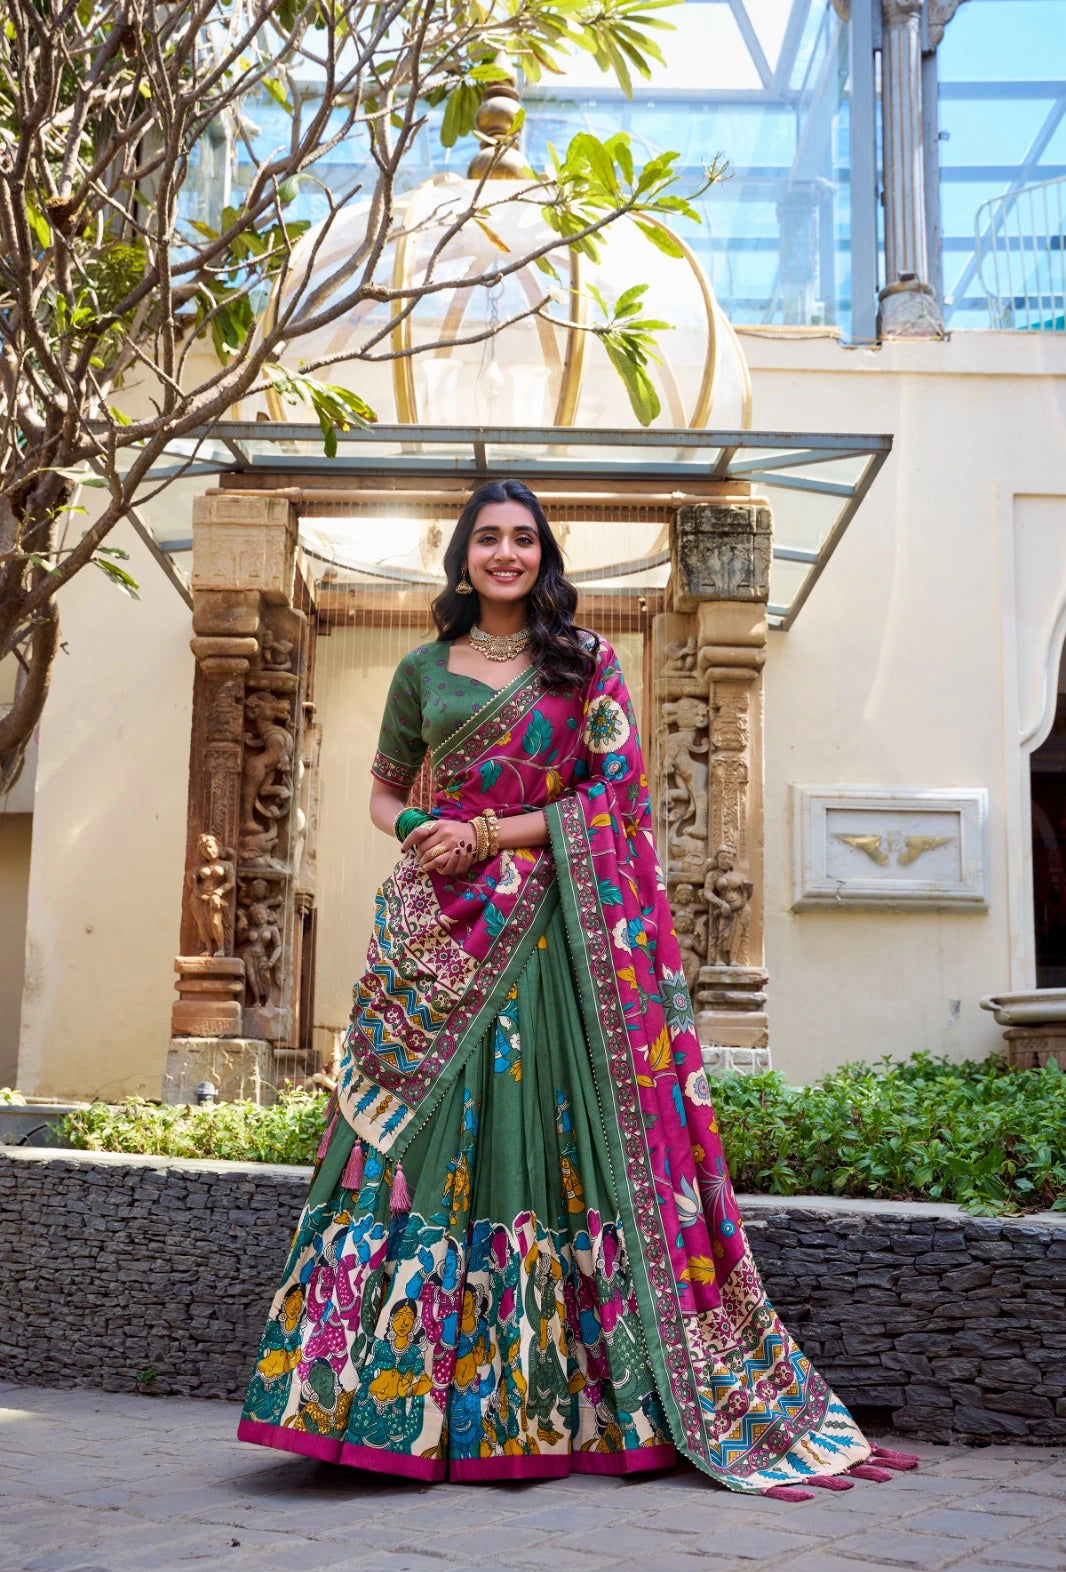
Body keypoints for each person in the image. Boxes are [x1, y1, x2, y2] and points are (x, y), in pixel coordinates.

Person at [237, 480, 916, 1497]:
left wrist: (493, 833)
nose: (504, 554)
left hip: (550, 936)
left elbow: (616, 794)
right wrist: (415, 829)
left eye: (522, 539)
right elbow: (385, 787)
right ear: (462, 555)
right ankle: (366, 1399)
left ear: (543, 557)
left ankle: (555, 1406)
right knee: (405, 1140)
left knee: (541, 1139)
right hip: (435, 928)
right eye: (487, 539)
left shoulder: (586, 663)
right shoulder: (423, 668)